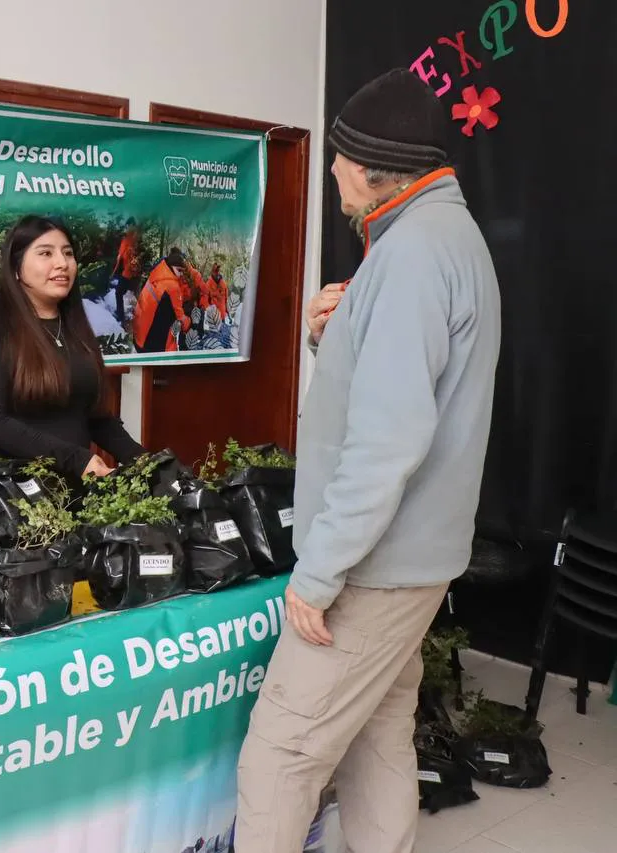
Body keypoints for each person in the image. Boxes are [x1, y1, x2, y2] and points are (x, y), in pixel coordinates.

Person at [234, 68, 501, 853]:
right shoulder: (440, 236)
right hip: (414, 560)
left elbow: (389, 439)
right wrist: (336, 332)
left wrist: (320, 571)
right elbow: (402, 385)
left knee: (280, 754)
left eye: (339, 164)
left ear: (367, 166)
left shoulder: (414, 253)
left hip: (374, 565)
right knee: (380, 731)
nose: (335, 180)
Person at [0, 214, 145, 479]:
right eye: (45, 253)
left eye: (68, 254)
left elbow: (95, 418)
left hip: (73, 497)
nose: (62, 263)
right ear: (16, 268)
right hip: (12, 497)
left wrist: (147, 464)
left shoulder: (75, 328)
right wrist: (77, 460)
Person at [132, 248, 194, 353]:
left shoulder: (157, 273)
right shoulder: (172, 286)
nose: (181, 274)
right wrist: (190, 323)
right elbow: (181, 318)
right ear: (171, 266)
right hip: (153, 344)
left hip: (139, 335)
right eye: (179, 270)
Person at [110, 218, 142, 322]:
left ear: (133, 225)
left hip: (129, 273)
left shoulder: (133, 239)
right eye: (127, 226)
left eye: (129, 226)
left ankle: (121, 318)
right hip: (128, 272)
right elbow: (121, 257)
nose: (127, 228)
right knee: (124, 293)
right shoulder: (126, 239)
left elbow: (133, 257)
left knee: (120, 292)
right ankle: (123, 316)